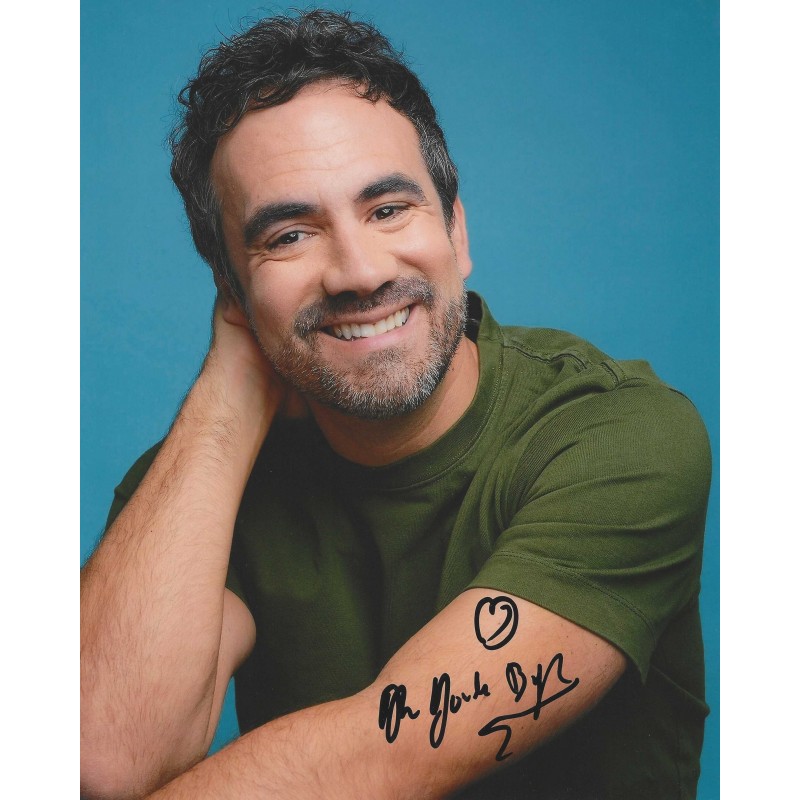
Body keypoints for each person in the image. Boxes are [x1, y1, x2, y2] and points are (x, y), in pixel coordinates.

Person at [80, 10, 711, 799]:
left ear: (456, 230)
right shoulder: (196, 487)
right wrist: (231, 387)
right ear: (231, 287)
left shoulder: (620, 436)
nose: (359, 271)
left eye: (387, 210)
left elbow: (379, 757)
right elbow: (102, 757)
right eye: (288, 235)